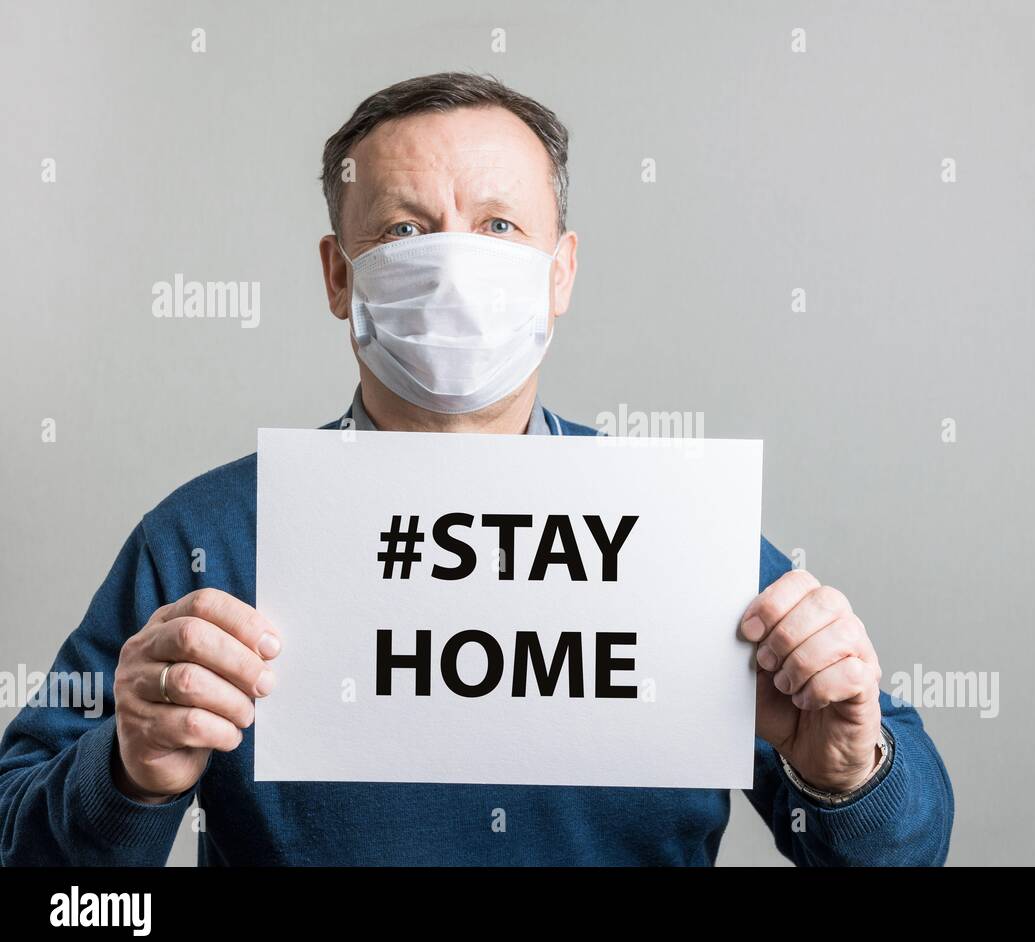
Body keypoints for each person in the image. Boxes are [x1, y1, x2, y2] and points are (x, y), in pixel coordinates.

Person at [0, 72, 953, 865]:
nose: (456, 268)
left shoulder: (674, 531)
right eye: (406, 232)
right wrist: (122, 775)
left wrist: (846, 772)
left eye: (498, 227)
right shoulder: (207, 542)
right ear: (338, 275)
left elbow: (900, 855)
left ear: (561, 272)